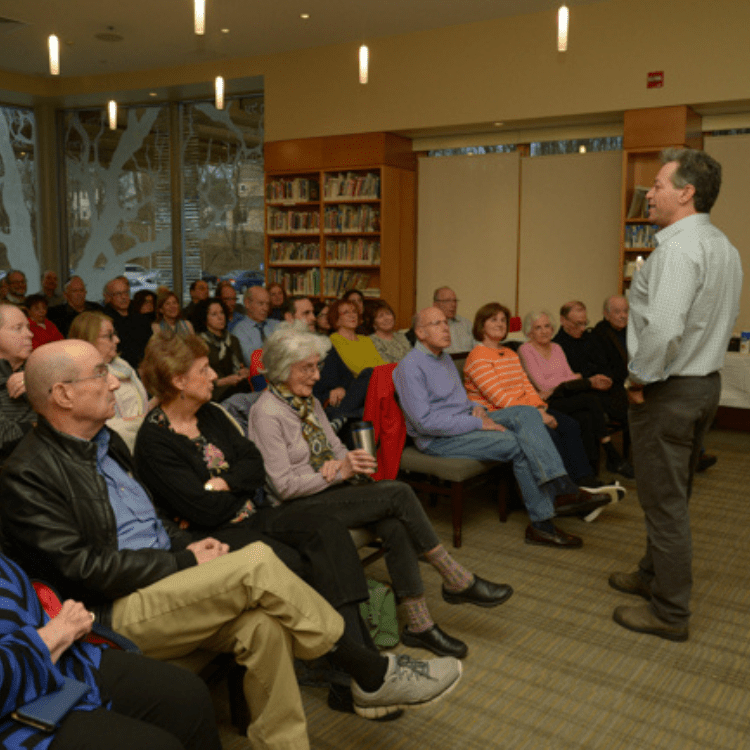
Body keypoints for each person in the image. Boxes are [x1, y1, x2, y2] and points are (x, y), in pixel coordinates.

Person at [0, 338, 463, 743]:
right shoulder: (27, 474)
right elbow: (86, 571)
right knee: (257, 560)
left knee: (263, 628)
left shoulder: (106, 443)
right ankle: (370, 670)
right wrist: (183, 561)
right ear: (62, 394)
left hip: (163, 577)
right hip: (110, 610)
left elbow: (154, 518)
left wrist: (185, 547)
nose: (116, 383)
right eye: (101, 374)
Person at [134, 332, 445, 711]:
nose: (215, 375)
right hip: (211, 536)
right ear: (178, 381)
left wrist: (224, 482)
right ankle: (355, 676)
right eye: (204, 370)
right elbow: (203, 510)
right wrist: (234, 485)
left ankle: (360, 669)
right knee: (300, 562)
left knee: (326, 531)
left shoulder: (212, 415)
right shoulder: (154, 439)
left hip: (255, 514)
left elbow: (253, 466)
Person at [249, 323, 514, 659]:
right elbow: (284, 487)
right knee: (398, 493)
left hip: (323, 491)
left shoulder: (308, 401)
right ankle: (454, 576)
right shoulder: (267, 413)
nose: (317, 375)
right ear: (282, 369)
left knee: (393, 521)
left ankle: (419, 625)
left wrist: (348, 460)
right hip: (294, 508)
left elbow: (334, 446)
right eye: (308, 368)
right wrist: (334, 472)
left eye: (317, 366)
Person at [609, 148, 742, 642]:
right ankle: (651, 575)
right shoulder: (722, 246)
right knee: (673, 495)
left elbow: (663, 330)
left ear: (686, 193)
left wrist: (637, 380)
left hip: (667, 390)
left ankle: (670, 612)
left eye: (660, 184)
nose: (649, 193)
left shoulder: (679, 250)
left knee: (664, 504)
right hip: (704, 386)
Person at [394, 307, 611, 549]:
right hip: (437, 439)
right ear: (420, 333)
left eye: (445, 322)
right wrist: (477, 422)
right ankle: (544, 521)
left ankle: (561, 488)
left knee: (528, 413)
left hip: (466, 422)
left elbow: (459, 400)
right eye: (437, 323)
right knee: (518, 443)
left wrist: (475, 408)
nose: (445, 327)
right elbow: (424, 422)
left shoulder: (443, 358)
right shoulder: (409, 367)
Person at [0, 551, 223, 750]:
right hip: (18, 684)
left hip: (58, 654)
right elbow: (84, 567)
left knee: (188, 695)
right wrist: (54, 635)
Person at [464, 302, 620, 496]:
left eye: (503, 320)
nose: (500, 323)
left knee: (570, 425)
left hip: (526, 409)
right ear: (481, 325)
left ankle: (584, 481)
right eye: (493, 319)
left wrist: (539, 407)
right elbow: (499, 398)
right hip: (501, 414)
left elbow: (526, 387)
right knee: (550, 433)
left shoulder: (510, 353)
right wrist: (536, 413)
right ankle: (567, 493)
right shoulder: (477, 356)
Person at [519, 310, 633, 479]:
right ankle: (611, 454)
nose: (544, 331)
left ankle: (589, 474)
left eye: (547, 326)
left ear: (552, 328)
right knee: (591, 400)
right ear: (529, 331)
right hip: (547, 401)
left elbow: (571, 375)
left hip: (566, 396)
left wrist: (569, 381)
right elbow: (542, 384)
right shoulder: (526, 349)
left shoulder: (557, 348)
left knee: (586, 417)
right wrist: (570, 381)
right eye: (538, 328)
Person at [68, 310, 152, 453]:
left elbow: (140, 408)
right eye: (109, 336)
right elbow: (94, 426)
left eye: (115, 334)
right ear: (89, 339)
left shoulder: (122, 365)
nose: (117, 340)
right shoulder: (79, 376)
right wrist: (140, 424)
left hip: (140, 445)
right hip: (109, 450)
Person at [554, 300, 630, 428]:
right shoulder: (557, 346)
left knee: (635, 404)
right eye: (578, 324)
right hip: (581, 391)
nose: (583, 328)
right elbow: (566, 378)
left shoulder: (589, 338)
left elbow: (603, 363)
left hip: (603, 387)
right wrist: (590, 380)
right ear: (563, 320)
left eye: (585, 323)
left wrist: (605, 378)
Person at [192, 297, 250, 402]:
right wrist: (224, 381)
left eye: (222, 313)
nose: (220, 317)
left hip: (237, 387)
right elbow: (196, 378)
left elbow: (240, 364)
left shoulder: (232, 340)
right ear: (205, 319)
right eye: (214, 314)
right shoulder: (199, 342)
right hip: (213, 391)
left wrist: (244, 372)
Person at [0, 302, 35, 462]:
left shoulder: (35, 369)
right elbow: (4, 437)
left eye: (27, 327)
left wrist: (37, 381)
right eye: (18, 328)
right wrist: (49, 425)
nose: (30, 334)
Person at [102, 276, 152, 369]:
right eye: (118, 294)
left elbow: (150, 345)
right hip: (117, 368)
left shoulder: (140, 318)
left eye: (126, 292)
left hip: (144, 367)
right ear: (108, 297)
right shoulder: (105, 321)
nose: (124, 297)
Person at [329, 298, 385, 376]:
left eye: (354, 312)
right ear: (337, 320)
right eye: (346, 312)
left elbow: (381, 364)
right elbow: (356, 368)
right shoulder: (335, 339)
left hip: (377, 380)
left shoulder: (366, 339)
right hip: (357, 384)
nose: (352, 315)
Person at [233, 286, 280, 364]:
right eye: (261, 303)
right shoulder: (239, 331)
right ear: (247, 303)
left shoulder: (276, 324)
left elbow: (290, 352)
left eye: (267, 304)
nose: (265, 308)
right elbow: (254, 362)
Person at [431, 286, 474, 353]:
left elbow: (479, 348)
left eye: (455, 301)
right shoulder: (428, 326)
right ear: (436, 305)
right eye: (447, 301)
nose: (453, 304)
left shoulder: (466, 324)